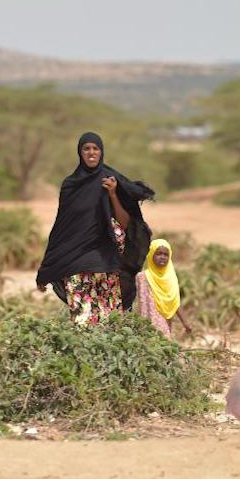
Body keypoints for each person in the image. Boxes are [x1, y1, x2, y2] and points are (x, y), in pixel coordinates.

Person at [36, 132, 154, 325]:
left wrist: (113, 194)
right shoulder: (70, 185)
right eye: (86, 149)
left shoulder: (111, 180)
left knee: (110, 324)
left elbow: (126, 224)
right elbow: (61, 228)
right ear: (80, 153)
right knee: (82, 323)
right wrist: (46, 269)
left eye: (95, 148)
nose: (91, 153)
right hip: (76, 264)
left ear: (101, 152)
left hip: (106, 265)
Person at [136, 239, 192, 339]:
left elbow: (175, 302)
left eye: (166, 255)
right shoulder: (142, 277)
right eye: (158, 254)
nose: (162, 257)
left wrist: (185, 323)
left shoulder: (171, 279)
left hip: (165, 325)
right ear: (151, 254)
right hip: (146, 327)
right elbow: (140, 304)